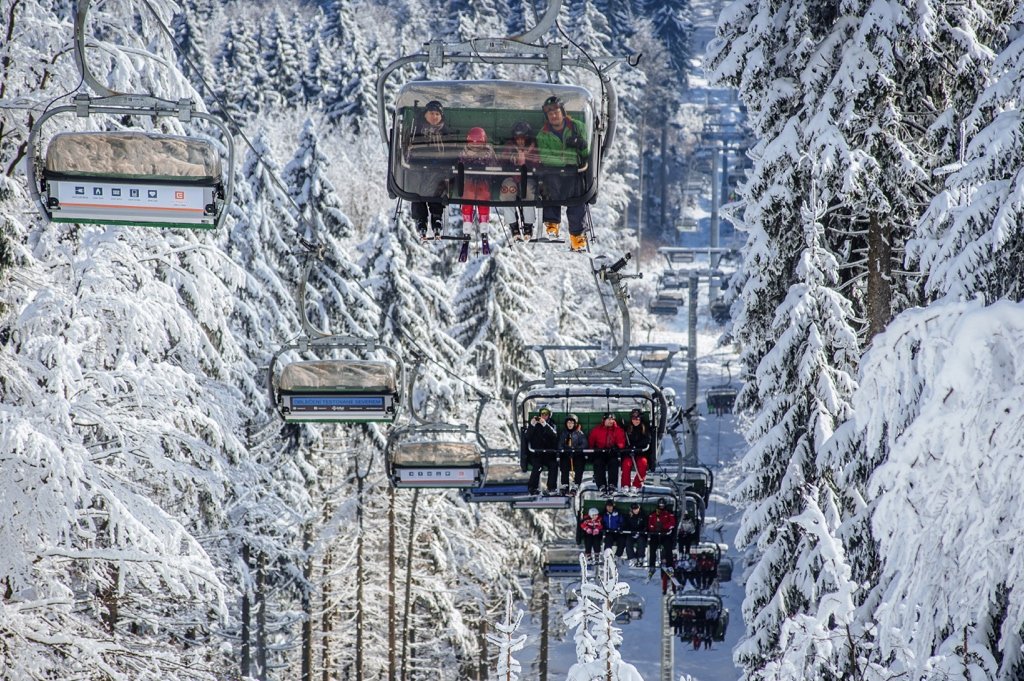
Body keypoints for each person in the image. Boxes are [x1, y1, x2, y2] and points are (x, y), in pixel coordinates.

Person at [536, 94, 589, 252]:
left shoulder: (577, 127)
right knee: (550, 189)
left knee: (577, 197)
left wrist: (581, 145)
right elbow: (545, 157)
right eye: (550, 113)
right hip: (554, 172)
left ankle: (577, 236)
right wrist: (565, 163)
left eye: (556, 112)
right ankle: (552, 224)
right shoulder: (543, 135)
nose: (553, 116)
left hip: (575, 172)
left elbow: (587, 152)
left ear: (562, 112)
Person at [406, 100, 451, 240]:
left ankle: (436, 218)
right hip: (419, 170)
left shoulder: (445, 133)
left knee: (437, 189)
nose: (434, 117)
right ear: (425, 114)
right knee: (417, 193)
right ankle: (421, 220)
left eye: (437, 114)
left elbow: (450, 153)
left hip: (437, 170)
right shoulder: (416, 130)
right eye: (431, 113)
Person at [458, 127, 499, 252]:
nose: (475, 147)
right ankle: (467, 226)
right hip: (469, 179)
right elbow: (460, 164)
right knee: (468, 194)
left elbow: (494, 165)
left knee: (484, 195)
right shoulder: (465, 152)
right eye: (473, 144)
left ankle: (484, 227)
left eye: (478, 144)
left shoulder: (488, 152)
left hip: (484, 179)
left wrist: (484, 167)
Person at [498, 121, 540, 241]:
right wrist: (512, 160)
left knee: (528, 192)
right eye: (518, 138)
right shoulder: (510, 147)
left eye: (523, 138)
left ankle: (528, 224)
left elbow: (538, 163)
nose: (520, 141)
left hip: (528, 177)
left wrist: (526, 161)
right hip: (511, 176)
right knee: (507, 191)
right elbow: (502, 161)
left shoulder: (533, 148)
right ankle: (513, 225)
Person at [587, 412, 625, 494]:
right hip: (600, 452)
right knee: (598, 462)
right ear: (604, 420)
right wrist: (592, 451)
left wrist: (616, 447)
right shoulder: (597, 430)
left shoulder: (617, 430)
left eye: (612, 420)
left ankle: (612, 484)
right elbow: (591, 441)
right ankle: (601, 485)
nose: (610, 421)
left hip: (612, 452)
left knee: (614, 462)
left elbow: (621, 442)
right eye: (608, 419)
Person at [525, 406, 559, 495]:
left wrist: (545, 425)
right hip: (537, 453)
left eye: (546, 414)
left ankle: (551, 488)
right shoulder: (535, 425)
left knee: (553, 465)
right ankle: (532, 488)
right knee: (537, 466)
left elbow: (554, 435)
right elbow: (527, 437)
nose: (544, 416)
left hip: (548, 453)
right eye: (542, 414)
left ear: (549, 415)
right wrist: (532, 425)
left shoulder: (552, 425)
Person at [620, 408, 651, 491]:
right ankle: (625, 485)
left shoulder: (645, 429)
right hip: (629, 453)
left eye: (637, 419)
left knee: (643, 463)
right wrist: (628, 447)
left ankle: (636, 485)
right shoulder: (628, 429)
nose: (635, 421)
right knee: (626, 464)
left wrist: (636, 447)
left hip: (640, 453)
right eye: (633, 419)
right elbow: (623, 440)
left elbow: (647, 440)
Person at [558, 413, 587, 494]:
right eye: (568, 423)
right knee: (564, 465)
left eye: (572, 423)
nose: (570, 425)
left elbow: (584, 444)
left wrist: (576, 449)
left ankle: (576, 484)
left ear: (575, 424)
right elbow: (560, 445)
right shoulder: (564, 433)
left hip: (577, 454)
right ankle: (565, 484)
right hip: (567, 455)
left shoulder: (579, 433)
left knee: (579, 464)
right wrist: (565, 449)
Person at [646, 498, 677, 572]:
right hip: (655, 534)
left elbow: (672, 523)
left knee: (668, 548)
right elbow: (650, 524)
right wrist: (654, 528)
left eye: (662, 505)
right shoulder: (653, 514)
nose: (661, 506)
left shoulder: (668, 513)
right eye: (660, 505)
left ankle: (669, 566)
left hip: (665, 534)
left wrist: (664, 526)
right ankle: (652, 565)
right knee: (652, 548)